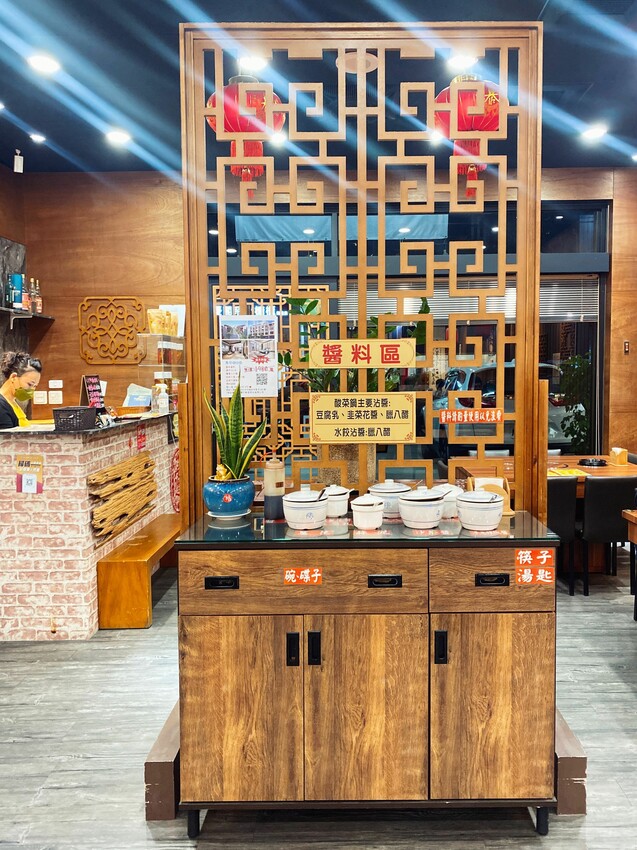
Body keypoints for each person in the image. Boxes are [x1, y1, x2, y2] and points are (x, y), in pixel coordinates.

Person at [0, 351, 43, 429]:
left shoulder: (13, 403)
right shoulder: (1, 406)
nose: (32, 390)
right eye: (30, 384)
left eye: (35, 386)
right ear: (13, 377)